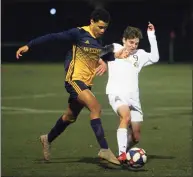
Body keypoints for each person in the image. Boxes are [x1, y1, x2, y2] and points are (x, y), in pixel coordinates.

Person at [16, 8, 121, 165]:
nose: (102, 30)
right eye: (100, 27)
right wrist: (29, 46)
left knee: (69, 117)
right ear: (91, 21)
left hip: (86, 83)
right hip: (74, 80)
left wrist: (107, 61)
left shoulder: (98, 41)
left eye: (105, 27)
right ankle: (104, 149)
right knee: (96, 108)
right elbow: (53, 37)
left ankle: (47, 138)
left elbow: (97, 54)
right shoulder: (78, 33)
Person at [105, 22, 159, 162]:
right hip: (116, 93)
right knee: (125, 117)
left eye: (136, 43)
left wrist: (151, 36)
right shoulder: (115, 47)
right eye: (130, 42)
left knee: (136, 137)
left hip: (134, 99)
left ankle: (127, 152)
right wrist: (113, 56)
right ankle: (122, 154)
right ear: (124, 40)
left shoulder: (139, 55)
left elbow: (155, 58)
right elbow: (97, 53)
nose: (133, 46)